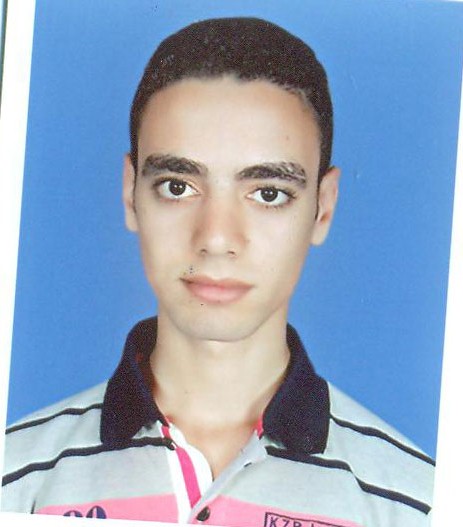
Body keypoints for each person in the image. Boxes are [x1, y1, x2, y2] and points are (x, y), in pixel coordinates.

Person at [1, 17, 434, 527]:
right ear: (130, 193)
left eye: (268, 193)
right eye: (177, 187)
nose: (216, 238)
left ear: (323, 208)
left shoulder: (416, 500)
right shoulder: (16, 475)